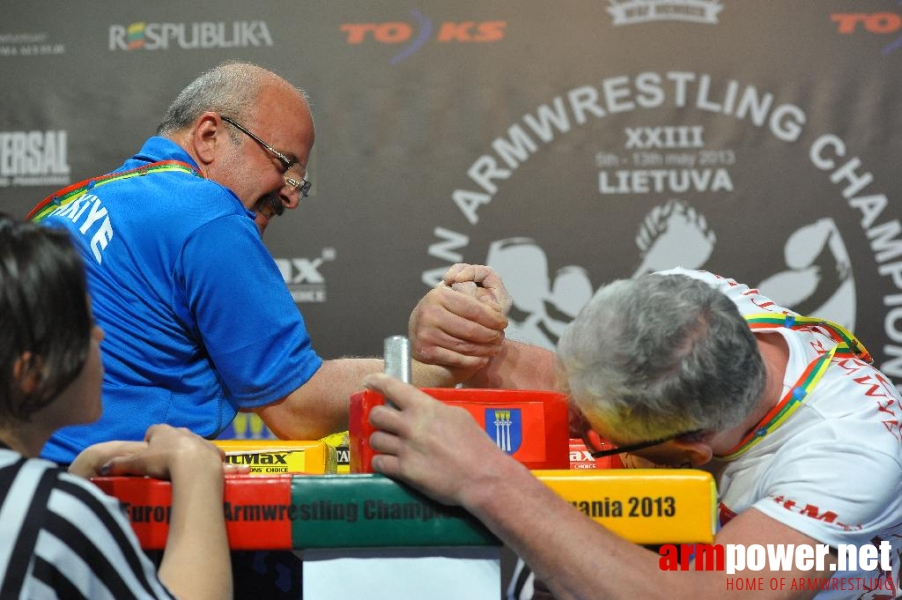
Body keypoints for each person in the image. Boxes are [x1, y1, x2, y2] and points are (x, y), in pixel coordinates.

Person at [30, 61, 503, 466]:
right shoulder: (204, 212)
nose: (292, 195)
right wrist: (447, 362)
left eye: (302, 179)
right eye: (284, 163)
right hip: (121, 506)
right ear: (210, 135)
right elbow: (298, 407)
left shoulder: (71, 203)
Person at [376, 265, 902, 599]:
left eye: (596, 431)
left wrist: (486, 478)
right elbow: (586, 386)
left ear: (692, 451)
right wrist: (472, 343)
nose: (574, 422)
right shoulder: (690, 298)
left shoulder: (849, 453)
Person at [0, 214, 237, 599]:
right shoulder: (61, 515)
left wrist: (81, 471)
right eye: (86, 324)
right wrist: (195, 466)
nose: (101, 334)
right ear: (31, 372)